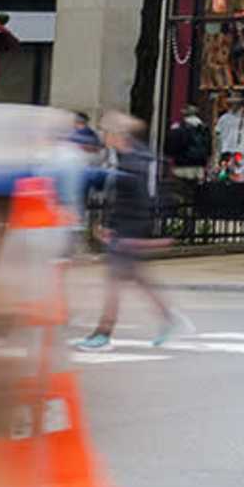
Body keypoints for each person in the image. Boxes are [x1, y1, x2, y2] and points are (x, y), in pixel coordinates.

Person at [77, 116, 194, 352]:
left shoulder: (133, 162)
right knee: (138, 279)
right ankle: (169, 318)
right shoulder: (132, 158)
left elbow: (134, 201)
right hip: (127, 228)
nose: (104, 137)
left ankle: (103, 333)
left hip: (128, 229)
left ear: (119, 135)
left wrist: (120, 231)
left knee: (114, 282)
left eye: (107, 132)